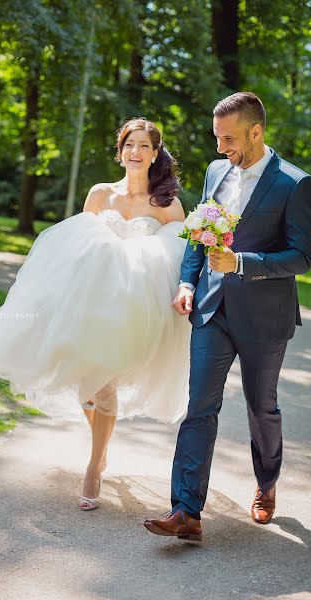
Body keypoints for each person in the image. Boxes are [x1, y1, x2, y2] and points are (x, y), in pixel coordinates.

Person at [0, 118, 191, 511]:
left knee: (104, 387)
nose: (135, 152)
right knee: (87, 384)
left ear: (156, 154)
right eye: (129, 145)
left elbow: (183, 258)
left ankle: (94, 467)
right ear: (120, 152)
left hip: (133, 312)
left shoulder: (167, 204)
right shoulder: (100, 195)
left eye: (144, 146)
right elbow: (78, 248)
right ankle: (100, 449)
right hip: (89, 305)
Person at [144, 92, 311, 542]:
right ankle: (186, 511)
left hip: (264, 317)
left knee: (262, 408)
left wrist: (242, 263)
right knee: (199, 407)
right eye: (217, 138)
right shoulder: (216, 172)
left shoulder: (294, 184)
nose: (220, 148)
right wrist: (186, 282)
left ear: (256, 132)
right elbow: (200, 236)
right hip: (211, 310)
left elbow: (303, 256)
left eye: (229, 138)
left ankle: (267, 482)